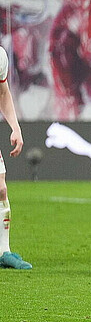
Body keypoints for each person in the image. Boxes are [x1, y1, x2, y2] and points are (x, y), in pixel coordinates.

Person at [0, 45, 31, 269]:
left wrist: (15, 127)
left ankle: (4, 252)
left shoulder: (0, 56)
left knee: (1, 189)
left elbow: (3, 93)